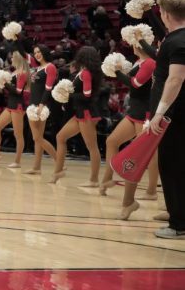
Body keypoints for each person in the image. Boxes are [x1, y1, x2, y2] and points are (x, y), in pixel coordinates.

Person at [101, 37, 156, 219]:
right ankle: (108, 178)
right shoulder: (140, 62)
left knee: (139, 158)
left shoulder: (149, 63)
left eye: (133, 41)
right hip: (134, 112)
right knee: (112, 141)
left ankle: (141, 195)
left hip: (145, 114)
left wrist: (117, 72)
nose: (130, 44)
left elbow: (135, 84)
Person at [146, 0, 185, 238]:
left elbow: (176, 78)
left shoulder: (176, 41)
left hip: (175, 115)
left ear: (166, 15)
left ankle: (178, 224)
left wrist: (159, 113)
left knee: (171, 166)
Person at [51, 47, 103, 186]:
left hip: (86, 113)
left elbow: (86, 95)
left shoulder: (86, 73)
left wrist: (68, 95)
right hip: (80, 113)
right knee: (60, 137)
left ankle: (94, 180)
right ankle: (58, 172)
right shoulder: (85, 72)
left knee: (92, 147)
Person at [0, 52, 29, 168]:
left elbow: (18, 91)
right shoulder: (14, 71)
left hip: (17, 106)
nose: (11, 58)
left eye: (13, 57)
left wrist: (5, 83)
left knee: (18, 134)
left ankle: (17, 162)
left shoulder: (22, 73)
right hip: (10, 105)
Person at [25, 45, 58, 174]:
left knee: (37, 138)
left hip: (39, 105)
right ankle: (37, 168)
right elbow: (22, 53)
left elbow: (48, 89)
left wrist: (41, 105)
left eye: (39, 52)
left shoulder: (50, 67)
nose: (37, 54)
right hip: (33, 104)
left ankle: (59, 162)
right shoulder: (37, 68)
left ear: (44, 52)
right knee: (37, 138)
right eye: (35, 53)